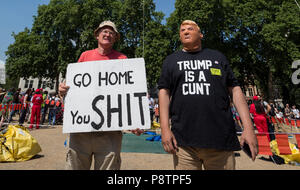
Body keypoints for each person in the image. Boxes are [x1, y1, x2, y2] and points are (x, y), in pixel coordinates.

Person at [158, 20, 258, 170]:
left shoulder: (217, 57)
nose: (185, 31)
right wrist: (165, 129)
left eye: (190, 29)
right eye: (182, 30)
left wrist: (248, 128)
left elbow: (235, 90)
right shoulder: (171, 60)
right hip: (184, 144)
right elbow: (164, 93)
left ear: (201, 34)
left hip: (220, 141)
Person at [59, 20, 142, 171]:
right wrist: (63, 90)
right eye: (104, 31)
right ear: (97, 35)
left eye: (111, 32)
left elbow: (127, 93)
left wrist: (135, 120)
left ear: (115, 38)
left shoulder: (122, 59)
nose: (107, 34)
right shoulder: (85, 56)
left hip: (109, 133)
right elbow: (72, 87)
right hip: (81, 131)